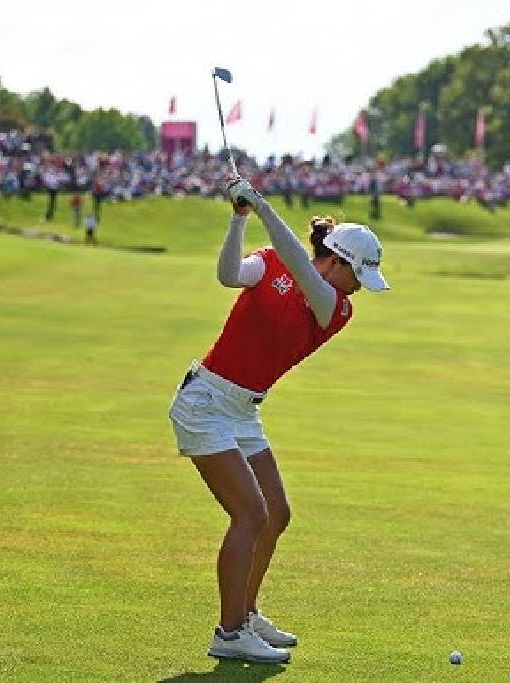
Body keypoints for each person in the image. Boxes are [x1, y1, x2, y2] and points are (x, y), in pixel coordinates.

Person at [168, 176, 389, 665]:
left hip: (243, 411)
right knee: (251, 515)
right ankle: (229, 633)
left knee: (276, 514)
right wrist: (239, 217)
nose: (361, 288)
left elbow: (301, 269)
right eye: (359, 275)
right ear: (337, 262)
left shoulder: (336, 307)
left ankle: (245, 614)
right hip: (205, 401)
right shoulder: (271, 261)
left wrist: (262, 206)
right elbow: (229, 275)